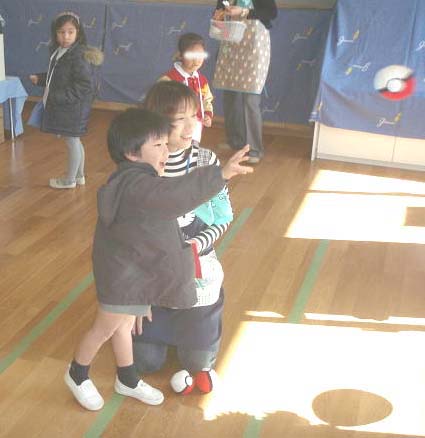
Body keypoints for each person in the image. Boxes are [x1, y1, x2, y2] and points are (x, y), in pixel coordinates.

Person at [64, 107, 252, 411]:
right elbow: (174, 195)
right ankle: (77, 373)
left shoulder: (136, 179)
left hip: (133, 272)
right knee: (105, 328)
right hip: (122, 277)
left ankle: (127, 378)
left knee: (123, 326)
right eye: (158, 145)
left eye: (166, 143)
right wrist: (220, 174)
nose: (167, 150)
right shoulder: (139, 186)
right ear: (132, 153)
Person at [132, 81, 243, 384]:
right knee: (145, 362)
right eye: (179, 119)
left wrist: (192, 246)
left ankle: (200, 330)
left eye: (193, 116)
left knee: (197, 363)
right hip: (153, 277)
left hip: (196, 272)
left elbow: (223, 217)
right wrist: (134, 297)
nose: (190, 126)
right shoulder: (141, 164)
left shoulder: (207, 161)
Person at [29, 11, 103, 189]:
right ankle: (79, 176)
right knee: (75, 141)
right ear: (55, 33)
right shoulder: (61, 51)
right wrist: (41, 79)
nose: (66, 36)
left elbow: (84, 85)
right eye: (61, 32)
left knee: (72, 141)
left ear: (78, 33)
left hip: (73, 108)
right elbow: (60, 76)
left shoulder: (78, 55)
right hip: (68, 106)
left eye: (70, 32)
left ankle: (69, 180)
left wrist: (58, 97)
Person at [213, 0, 277, 164]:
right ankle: (235, 141)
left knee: (250, 99)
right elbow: (219, 9)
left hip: (254, 45)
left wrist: (243, 12)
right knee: (230, 96)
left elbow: (271, 13)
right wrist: (219, 14)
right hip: (231, 44)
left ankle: (254, 149)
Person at [158, 33, 213, 144]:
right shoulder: (168, 80)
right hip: (173, 131)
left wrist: (207, 114)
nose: (196, 60)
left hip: (196, 128)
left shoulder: (202, 80)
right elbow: (158, 105)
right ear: (180, 55)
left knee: (192, 151)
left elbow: (207, 100)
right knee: (175, 152)